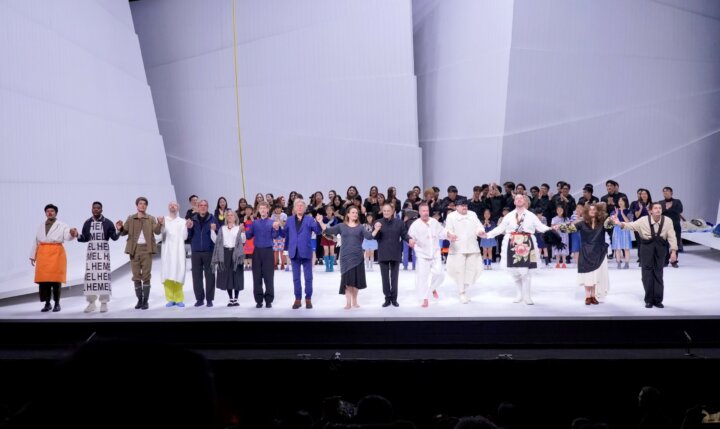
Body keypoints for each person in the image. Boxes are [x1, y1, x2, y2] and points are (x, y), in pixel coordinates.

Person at [480, 194, 551, 305]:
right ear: (514, 202)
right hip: (512, 243)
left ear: (525, 201)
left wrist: (551, 230)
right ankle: (519, 294)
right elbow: (500, 228)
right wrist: (488, 235)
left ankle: (527, 296)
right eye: (516, 198)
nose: (518, 200)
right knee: (515, 272)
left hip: (527, 243)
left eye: (521, 198)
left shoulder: (531, 215)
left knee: (526, 272)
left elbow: (541, 227)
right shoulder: (509, 216)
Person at [613, 202, 677, 308]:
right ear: (650, 211)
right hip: (646, 247)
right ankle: (649, 299)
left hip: (660, 247)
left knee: (658, 273)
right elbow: (631, 225)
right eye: (655, 208)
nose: (658, 210)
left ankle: (658, 300)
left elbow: (672, 236)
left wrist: (673, 251)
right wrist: (619, 223)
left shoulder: (667, 221)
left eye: (659, 208)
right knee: (647, 273)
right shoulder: (643, 220)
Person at [318, 206, 374, 309]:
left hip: (358, 257)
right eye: (353, 212)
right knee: (347, 281)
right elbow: (328, 231)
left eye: (356, 213)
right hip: (345, 257)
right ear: (348, 214)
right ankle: (348, 303)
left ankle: (355, 301)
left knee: (356, 282)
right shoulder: (341, 226)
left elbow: (369, 236)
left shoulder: (361, 227)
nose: (355, 214)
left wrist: (377, 229)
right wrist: (321, 222)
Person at [30, 204, 77, 312]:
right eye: (48, 211)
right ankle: (47, 304)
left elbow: (67, 236)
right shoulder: (41, 226)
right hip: (43, 255)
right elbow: (36, 241)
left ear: (56, 213)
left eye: (52, 211)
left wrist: (72, 233)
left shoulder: (62, 225)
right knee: (44, 281)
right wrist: (33, 256)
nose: (50, 213)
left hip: (56, 254)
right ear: (45, 213)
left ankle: (57, 303)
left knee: (56, 280)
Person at [117, 197, 162, 310]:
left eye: (144, 204)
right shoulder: (131, 218)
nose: (142, 205)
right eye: (140, 203)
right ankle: (139, 300)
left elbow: (157, 231)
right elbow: (123, 232)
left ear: (146, 206)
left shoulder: (150, 218)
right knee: (136, 276)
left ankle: (145, 301)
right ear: (137, 205)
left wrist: (160, 224)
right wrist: (120, 228)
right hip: (134, 250)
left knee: (146, 276)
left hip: (147, 250)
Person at [76, 201, 119, 313]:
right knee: (90, 277)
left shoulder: (108, 223)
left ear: (101, 210)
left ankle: (104, 302)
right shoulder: (87, 222)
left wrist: (119, 229)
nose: (96, 209)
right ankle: (91, 303)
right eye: (94, 208)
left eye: (98, 208)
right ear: (91, 209)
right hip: (92, 253)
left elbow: (114, 237)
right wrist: (77, 235)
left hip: (103, 252)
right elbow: (85, 238)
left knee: (104, 277)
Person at [372, 202, 413, 307]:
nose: (386, 212)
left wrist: (410, 239)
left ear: (393, 211)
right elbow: (374, 237)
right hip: (383, 253)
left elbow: (404, 235)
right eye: (384, 211)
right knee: (385, 278)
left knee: (394, 278)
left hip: (395, 253)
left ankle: (394, 298)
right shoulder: (378, 222)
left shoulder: (399, 223)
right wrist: (376, 229)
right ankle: (387, 298)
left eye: (388, 211)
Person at [444, 197, 485, 304]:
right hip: (458, 248)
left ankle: (465, 290)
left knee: (474, 269)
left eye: (466, 205)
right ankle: (461, 292)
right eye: (462, 206)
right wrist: (450, 235)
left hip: (472, 247)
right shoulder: (451, 216)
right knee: (459, 271)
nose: (464, 207)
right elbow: (448, 229)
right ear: (456, 207)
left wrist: (480, 231)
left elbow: (478, 226)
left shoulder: (472, 214)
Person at [284, 199, 322, 309]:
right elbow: (285, 234)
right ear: (294, 208)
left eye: (302, 206)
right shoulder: (289, 220)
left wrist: (319, 222)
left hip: (306, 252)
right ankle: (297, 299)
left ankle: (308, 298)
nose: (300, 207)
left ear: (305, 208)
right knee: (296, 278)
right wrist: (277, 228)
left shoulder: (309, 219)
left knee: (308, 278)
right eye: (298, 206)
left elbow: (318, 231)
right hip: (294, 252)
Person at [407, 202, 447, 308]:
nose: (426, 213)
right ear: (419, 212)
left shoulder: (434, 222)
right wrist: (411, 242)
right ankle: (424, 298)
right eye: (423, 211)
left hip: (435, 253)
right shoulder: (415, 225)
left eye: (427, 211)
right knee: (423, 277)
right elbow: (410, 238)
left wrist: (449, 235)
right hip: (422, 255)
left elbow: (442, 233)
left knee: (440, 274)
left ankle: (432, 288)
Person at [570, 203, 610, 305]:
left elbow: (610, 226)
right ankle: (588, 296)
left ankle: (593, 296)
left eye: (594, 209)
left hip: (598, 252)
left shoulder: (602, 223)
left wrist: (612, 220)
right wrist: (559, 227)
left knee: (595, 275)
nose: (592, 211)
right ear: (587, 211)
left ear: (597, 211)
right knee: (588, 275)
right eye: (590, 209)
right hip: (586, 252)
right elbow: (570, 228)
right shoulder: (582, 223)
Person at [245, 201, 281, 308]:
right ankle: (259, 300)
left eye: (265, 208)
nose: (263, 210)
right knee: (257, 277)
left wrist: (276, 228)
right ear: (258, 210)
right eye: (261, 208)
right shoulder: (255, 223)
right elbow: (248, 236)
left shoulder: (272, 222)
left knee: (269, 277)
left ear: (268, 209)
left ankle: (269, 300)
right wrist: (246, 225)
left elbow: (275, 236)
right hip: (257, 252)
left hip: (268, 251)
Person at [186, 200, 220, 307]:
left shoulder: (212, 218)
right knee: (196, 277)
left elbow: (218, 234)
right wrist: (189, 228)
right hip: (196, 251)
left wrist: (215, 229)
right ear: (198, 207)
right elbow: (189, 236)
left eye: (205, 205)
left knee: (210, 276)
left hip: (209, 251)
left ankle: (209, 299)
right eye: (201, 205)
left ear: (207, 207)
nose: (203, 207)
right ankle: (199, 299)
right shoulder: (193, 219)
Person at [211, 209, 245, 307]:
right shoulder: (222, 228)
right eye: (228, 215)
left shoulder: (238, 228)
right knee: (228, 276)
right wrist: (212, 231)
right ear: (226, 217)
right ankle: (231, 298)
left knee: (237, 275)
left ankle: (236, 298)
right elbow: (216, 241)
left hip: (236, 254)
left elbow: (243, 241)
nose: (230, 217)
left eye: (232, 215)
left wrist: (243, 232)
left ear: (235, 217)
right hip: (225, 253)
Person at [159, 201, 188, 307]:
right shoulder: (164, 220)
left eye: (175, 205)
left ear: (178, 208)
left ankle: (179, 298)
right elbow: (162, 236)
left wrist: (186, 227)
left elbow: (184, 237)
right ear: (168, 207)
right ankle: (170, 298)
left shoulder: (182, 221)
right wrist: (162, 225)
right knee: (167, 273)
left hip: (178, 250)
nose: (172, 206)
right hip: (167, 250)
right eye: (170, 205)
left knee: (178, 272)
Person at [661, 186, 683, 267]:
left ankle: (674, 261)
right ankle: (665, 260)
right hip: (664, 226)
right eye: (664, 192)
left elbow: (680, 210)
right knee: (664, 243)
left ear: (671, 193)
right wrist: (667, 209)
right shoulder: (660, 202)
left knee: (675, 243)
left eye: (667, 191)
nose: (665, 193)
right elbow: (659, 212)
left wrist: (669, 208)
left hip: (675, 225)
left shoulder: (677, 201)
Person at [611, 197, 633, 269]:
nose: (620, 202)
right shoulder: (615, 211)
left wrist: (622, 213)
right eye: (619, 201)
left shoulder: (628, 211)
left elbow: (628, 221)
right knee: (617, 248)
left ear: (625, 202)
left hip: (625, 228)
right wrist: (616, 214)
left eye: (622, 201)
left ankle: (627, 264)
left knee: (626, 247)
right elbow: (612, 222)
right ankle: (618, 263)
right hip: (617, 229)